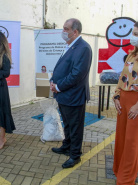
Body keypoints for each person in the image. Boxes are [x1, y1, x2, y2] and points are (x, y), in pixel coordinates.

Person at [50, 18, 92, 168]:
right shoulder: (70, 45)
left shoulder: (83, 48)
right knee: (67, 124)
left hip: (74, 96)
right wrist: (53, 81)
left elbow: (77, 74)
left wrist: (58, 86)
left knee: (75, 127)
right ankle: (66, 146)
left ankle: (75, 155)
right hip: (64, 95)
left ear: (75, 32)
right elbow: (63, 67)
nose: (63, 31)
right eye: (63, 28)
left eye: (66, 29)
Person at [113, 22, 138, 185]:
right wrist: (116, 96)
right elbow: (123, 77)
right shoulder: (131, 55)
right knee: (121, 138)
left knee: (132, 141)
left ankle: (126, 179)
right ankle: (119, 170)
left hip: (136, 102)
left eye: (136, 34)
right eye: (133, 33)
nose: (133, 37)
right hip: (123, 100)